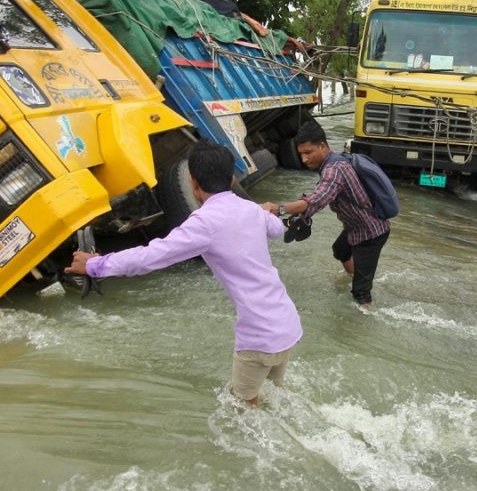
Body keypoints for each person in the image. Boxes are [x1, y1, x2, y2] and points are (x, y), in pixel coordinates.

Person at [66, 141, 301, 405]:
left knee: (242, 409)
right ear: (232, 178)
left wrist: (95, 265)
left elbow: (151, 257)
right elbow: (277, 229)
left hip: (259, 336)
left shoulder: (204, 223)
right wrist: (264, 210)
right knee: (275, 398)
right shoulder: (250, 210)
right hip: (286, 324)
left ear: (193, 183)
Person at [262, 122, 390, 311]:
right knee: (340, 249)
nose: (304, 159)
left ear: (322, 146)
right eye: (301, 154)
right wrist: (298, 215)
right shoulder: (332, 161)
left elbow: (316, 200)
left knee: (361, 294)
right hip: (355, 227)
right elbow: (322, 197)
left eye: (308, 152)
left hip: (370, 232)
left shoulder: (334, 169)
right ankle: (356, 277)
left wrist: (278, 209)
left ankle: (365, 318)